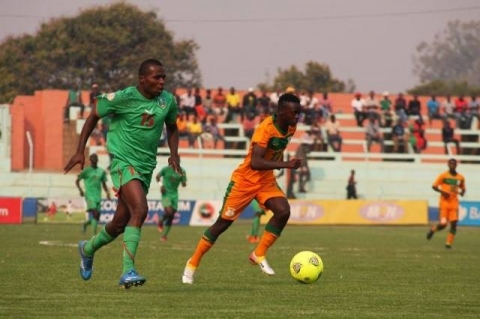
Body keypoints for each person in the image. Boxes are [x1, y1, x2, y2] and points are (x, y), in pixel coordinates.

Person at [64, 59, 181, 289]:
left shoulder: (167, 101)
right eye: (156, 77)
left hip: (146, 166)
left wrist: (174, 153)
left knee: (119, 224)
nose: (161, 81)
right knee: (140, 209)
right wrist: (80, 150)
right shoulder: (124, 98)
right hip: (122, 162)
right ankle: (128, 270)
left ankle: (87, 249)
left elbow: (173, 126)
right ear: (142, 79)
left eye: (163, 77)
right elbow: (94, 114)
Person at [181, 93, 303, 284]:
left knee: (283, 211)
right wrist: (286, 165)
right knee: (222, 224)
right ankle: (192, 264)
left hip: (265, 181)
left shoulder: (291, 126)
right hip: (245, 181)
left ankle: (258, 254)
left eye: (298, 112)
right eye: (293, 113)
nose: (297, 117)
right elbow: (255, 162)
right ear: (280, 112)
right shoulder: (265, 129)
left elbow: (275, 152)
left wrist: (280, 164)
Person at [426, 158, 466, 249]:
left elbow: (463, 189)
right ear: (448, 165)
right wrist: (443, 192)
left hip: (454, 204)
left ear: (456, 165)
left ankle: (448, 243)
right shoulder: (443, 176)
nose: (452, 165)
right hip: (444, 203)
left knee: (454, 223)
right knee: (443, 224)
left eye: (454, 164)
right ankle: (433, 230)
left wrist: (462, 192)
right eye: (451, 164)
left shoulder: (460, 178)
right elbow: (434, 186)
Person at [76, 153, 111, 236]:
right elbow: (77, 181)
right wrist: (80, 190)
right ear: (90, 161)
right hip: (89, 196)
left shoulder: (101, 172)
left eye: (95, 160)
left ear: (97, 161)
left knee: (97, 216)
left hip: (97, 196)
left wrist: (107, 192)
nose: (94, 161)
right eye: (93, 160)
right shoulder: (86, 171)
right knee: (95, 213)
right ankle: (94, 236)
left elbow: (104, 184)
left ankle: (85, 224)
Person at [156, 164, 187, 241]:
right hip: (166, 193)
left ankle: (164, 236)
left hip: (175, 195)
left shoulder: (182, 171)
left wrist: (183, 178)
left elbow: (183, 185)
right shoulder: (165, 169)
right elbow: (157, 177)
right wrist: (161, 185)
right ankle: (161, 220)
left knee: (171, 216)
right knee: (169, 212)